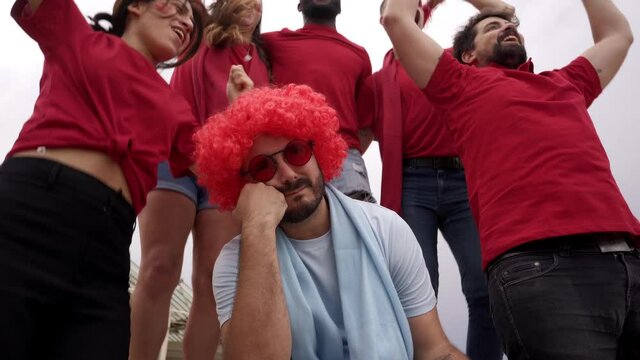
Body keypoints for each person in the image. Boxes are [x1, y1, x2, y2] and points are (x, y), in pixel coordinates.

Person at [382, 0, 640, 358]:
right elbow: (396, 17)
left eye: (510, 26)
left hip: (630, 257)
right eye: (491, 28)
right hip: (543, 269)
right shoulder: (459, 86)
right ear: (467, 56)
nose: (507, 28)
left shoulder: (567, 82)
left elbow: (618, 34)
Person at [193, 81, 468, 360]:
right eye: (263, 167)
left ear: (317, 150)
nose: (288, 174)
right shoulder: (234, 262)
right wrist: (258, 226)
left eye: (295, 152)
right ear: (244, 186)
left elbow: (434, 350)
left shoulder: (386, 229)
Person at [0, 0, 204, 359]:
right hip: (29, 216)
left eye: (192, 18)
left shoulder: (177, 110)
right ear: (136, 6)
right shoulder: (75, 34)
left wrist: (244, 111)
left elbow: (218, 167)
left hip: (107, 251)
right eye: (178, 5)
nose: (187, 20)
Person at [361, 1, 502, 358]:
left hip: (463, 180)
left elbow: (499, 22)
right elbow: (358, 135)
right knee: (418, 290)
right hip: (412, 185)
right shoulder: (377, 83)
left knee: (487, 286)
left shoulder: (451, 62)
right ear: (385, 19)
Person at [128, 1, 269, 359]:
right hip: (175, 157)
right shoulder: (199, 33)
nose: (252, 3)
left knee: (210, 283)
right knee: (159, 267)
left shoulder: (268, 57)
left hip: (224, 173)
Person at [262, 0, 376, 202]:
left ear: (340, 6)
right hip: (288, 155)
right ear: (299, 5)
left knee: (359, 226)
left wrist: (337, 149)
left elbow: (366, 125)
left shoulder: (359, 54)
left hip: (344, 157)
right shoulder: (272, 43)